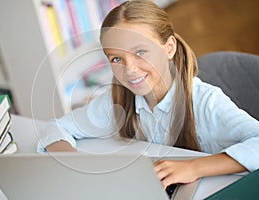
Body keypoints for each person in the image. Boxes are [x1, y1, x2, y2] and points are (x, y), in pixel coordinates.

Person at [37, 0, 259, 189]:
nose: (129, 69)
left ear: (168, 47)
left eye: (140, 52)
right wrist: (74, 164)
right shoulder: (117, 101)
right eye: (116, 59)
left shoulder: (204, 102)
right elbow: (57, 127)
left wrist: (194, 167)